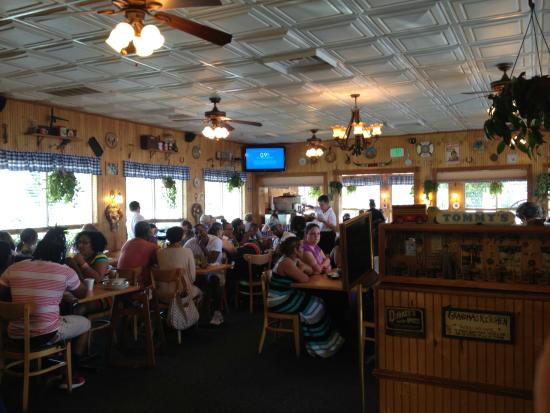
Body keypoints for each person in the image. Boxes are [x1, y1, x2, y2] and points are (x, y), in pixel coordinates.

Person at [0, 230, 91, 388]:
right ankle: (69, 374)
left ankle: (47, 364)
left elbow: (2, 294)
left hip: (13, 334)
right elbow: (83, 293)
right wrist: (74, 267)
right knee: (85, 323)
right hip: (45, 335)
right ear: (61, 253)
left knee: (54, 320)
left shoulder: (14, 268)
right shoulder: (64, 271)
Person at [268, 237, 344, 358]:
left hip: (288, 295)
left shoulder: (293, 259)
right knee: (316, 307)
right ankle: (319, 346)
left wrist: (303, 267)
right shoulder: (287, 263)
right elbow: (305, 278)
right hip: (279, 301)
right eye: (301, 248)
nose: (303, 249)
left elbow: (310, 271)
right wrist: (302, 269)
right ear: (295, 250)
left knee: (319, 301)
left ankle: (324, 340)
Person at [184, 223, 224, 326]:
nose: (199, 234)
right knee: (199, 283)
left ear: (206, 230)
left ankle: (216, 313)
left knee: (214, 281)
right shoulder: (190, 242)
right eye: (196, 233)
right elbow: (184, 257)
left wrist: (201, 245)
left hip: (215, 272)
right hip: (198, 274)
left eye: (201, 231)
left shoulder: (216, 241)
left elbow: (211, 260)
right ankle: (197, 315)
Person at [156, 226, 201, 300]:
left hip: (162, 292)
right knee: (201, 292)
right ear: (182, 237)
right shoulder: (187, 251)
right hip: (182, 292)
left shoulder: (159, 252)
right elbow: (193, 277)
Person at [118, 221, 158, 286]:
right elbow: (159, 263)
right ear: (148, 232)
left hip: (120, 282)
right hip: (138, 284)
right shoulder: (151, 246)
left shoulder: (126, 244)